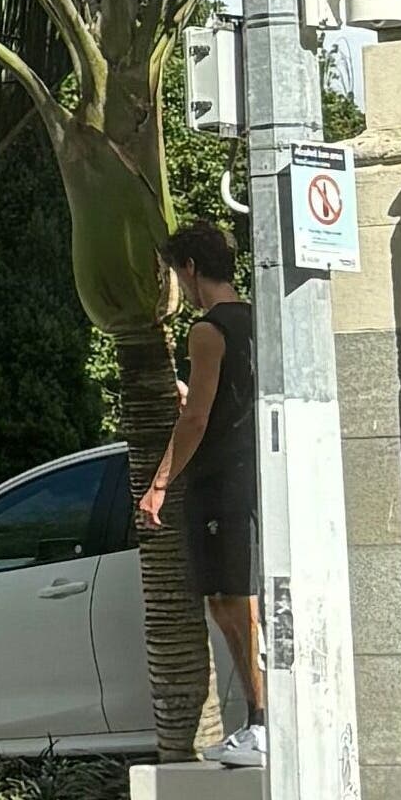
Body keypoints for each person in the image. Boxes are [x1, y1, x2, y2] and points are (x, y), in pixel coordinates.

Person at [139, 220, 267, 767]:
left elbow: (195, 421)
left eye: (177, 274)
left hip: (221, 482)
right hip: (252, 474)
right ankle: (262, 720)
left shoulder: (207, 330)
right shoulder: (261, 323)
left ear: (190, 269)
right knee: (230, 599)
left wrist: (159, 483)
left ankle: (263, 721)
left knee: (234, 601)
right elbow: (225, 401)